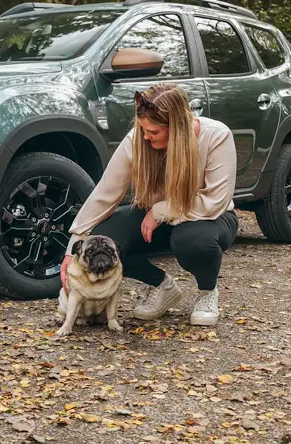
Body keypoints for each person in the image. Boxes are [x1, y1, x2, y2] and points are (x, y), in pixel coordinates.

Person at [59, 83, 238, 326]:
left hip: (207, 218)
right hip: (155, 219)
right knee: (107, 237)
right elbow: (105, 193)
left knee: (193, 240)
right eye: (143, 129)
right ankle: (162, 286)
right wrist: (73, 246)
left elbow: (214, 202)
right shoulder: (138, 140)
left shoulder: (216, 135)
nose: (145, 136)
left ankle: (207, 292)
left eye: (153, 132)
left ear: (176, 128)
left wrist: (160, 210)